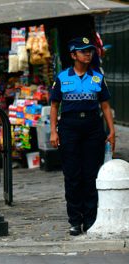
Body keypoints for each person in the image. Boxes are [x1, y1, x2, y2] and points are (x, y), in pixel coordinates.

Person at [50, 36, 115, 236]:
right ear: (73, 55)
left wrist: (112, 131)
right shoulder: (62, 78)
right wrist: (53, 131)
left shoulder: (97, 78)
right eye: (83, 51)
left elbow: (105, 105)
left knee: (91, 174)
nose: (88, 54)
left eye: (90, 50)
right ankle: (75, 220)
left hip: (92, 127)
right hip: (69, 127)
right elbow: (54, 106)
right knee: (72, 175)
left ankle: (90, 219)